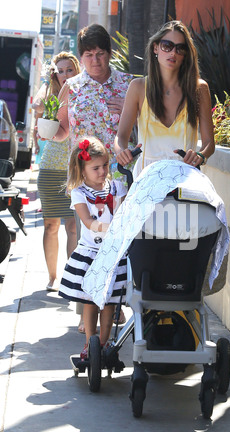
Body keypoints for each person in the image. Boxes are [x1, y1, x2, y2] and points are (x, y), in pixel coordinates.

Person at [54, 24, 135, 326]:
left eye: (100, 54)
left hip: (118, 178)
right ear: (81, 56)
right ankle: (86, 309)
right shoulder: (71, 87)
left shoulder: (130, 85)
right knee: (88, 241)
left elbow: (147, 126)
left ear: (109, 54)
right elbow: (62, 131)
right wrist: (49, 131)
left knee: (118, 240)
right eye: (88, 55)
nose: (95, 61)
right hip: (85, 181)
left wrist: (130, 110)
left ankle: (114, 302)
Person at [114, 20, 215, 176]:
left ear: (186, 54)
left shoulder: (199, 89)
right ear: (156, 48)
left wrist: (201, 155)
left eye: (180, 48)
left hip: (184, 177)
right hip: (146, 177)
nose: (173, 53)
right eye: (167, 46)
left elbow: (209, 143)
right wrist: (121, 151)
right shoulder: (138, 87)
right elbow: (121, 137)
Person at [58, 137, 127, 359]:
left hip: (113, 254)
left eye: (105, 165)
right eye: (95, 168)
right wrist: (109, 227)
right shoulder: (80, 193)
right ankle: (90, 343)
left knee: (108, 303)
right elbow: (87, 221)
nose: (102, 171)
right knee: (90, 301)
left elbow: (124, 212)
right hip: (91, 253)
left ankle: (104, 344)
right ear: (83, 170)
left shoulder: (117, 187)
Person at [32, 52, 81, 292]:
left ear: (77, 70)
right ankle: (53, 278)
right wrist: (45, 90)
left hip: (76, 168)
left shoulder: (84, 91)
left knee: (73, 227)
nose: (64, 75)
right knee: (50, 225)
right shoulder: (51, 93)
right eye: (60, 71)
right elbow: (37, 104)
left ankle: (70, 280)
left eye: (69, 70)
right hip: (51, 166)